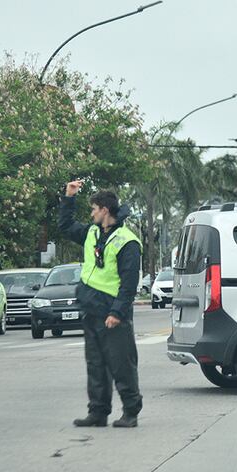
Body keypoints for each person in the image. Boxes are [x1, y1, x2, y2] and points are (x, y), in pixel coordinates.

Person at [59, 179, 143, 428]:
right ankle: (98, 411)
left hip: (112, 313)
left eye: (94, 209)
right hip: (92, 309)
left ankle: (130, 411)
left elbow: (129, 284)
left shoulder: (127, 241)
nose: (92, 213)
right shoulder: (92, 232)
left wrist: (117, 312)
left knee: (121, 364)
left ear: (105, 210)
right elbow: (65, 225)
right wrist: (69, 197)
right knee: (95, 364)